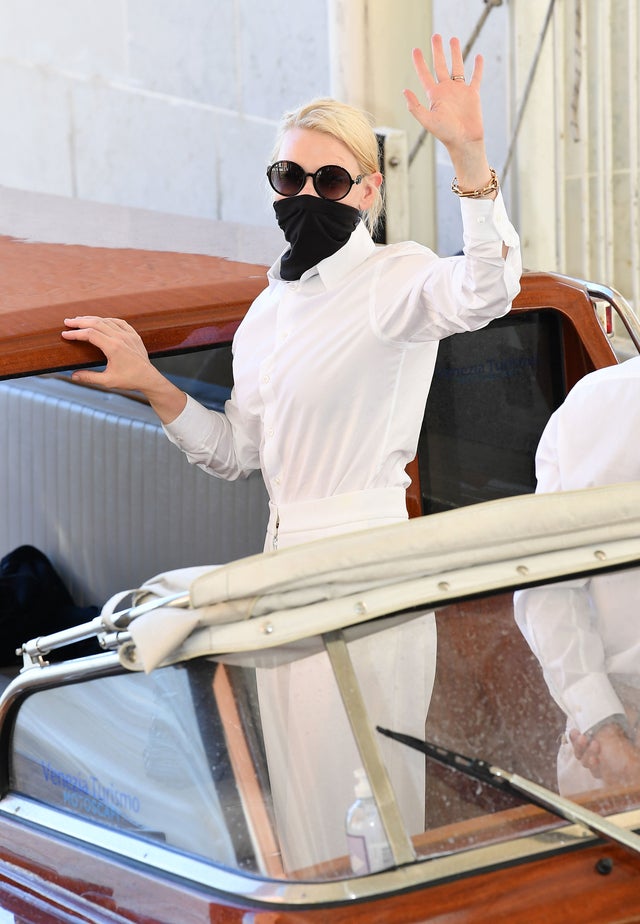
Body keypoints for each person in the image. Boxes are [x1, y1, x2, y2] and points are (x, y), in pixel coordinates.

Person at [63, 35, 521, 870]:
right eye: (289, 179)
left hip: (370, 566)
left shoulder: (396, 280)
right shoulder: (268, 310)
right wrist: (154, 388)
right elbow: (240, 451)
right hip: (281, 568)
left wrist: (469, 154)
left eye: (331, 181)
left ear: (369, 192)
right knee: (307, 816)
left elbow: (488, 290)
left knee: (375, 810)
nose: (307, 195)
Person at [514, 356, 640, 796]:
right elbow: (549, 584)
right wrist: (604, 728)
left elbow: (547, 586)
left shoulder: (597, 397)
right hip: (619, 733)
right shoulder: (597, 403)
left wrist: (602, 727)